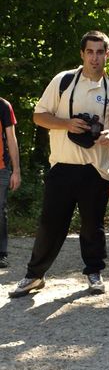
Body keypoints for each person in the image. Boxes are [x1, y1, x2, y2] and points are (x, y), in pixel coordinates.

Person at [9, 30, 109, 297]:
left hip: (95, 168)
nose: (95, 58)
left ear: (107, 54)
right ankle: (34, 275)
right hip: (62, 165)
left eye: (100, 52)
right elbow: (39, 116)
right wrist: (66, 124)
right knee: (50, 223)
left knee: (92, 225)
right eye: (90, 52)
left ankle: (94, 272)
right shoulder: (63, 82)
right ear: (82, 54)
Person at [0, 98, 21, 268]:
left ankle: (1, 253)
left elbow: (11, 139)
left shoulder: (4, 106)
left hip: (1, 168)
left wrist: (16, 171)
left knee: (0, 210)